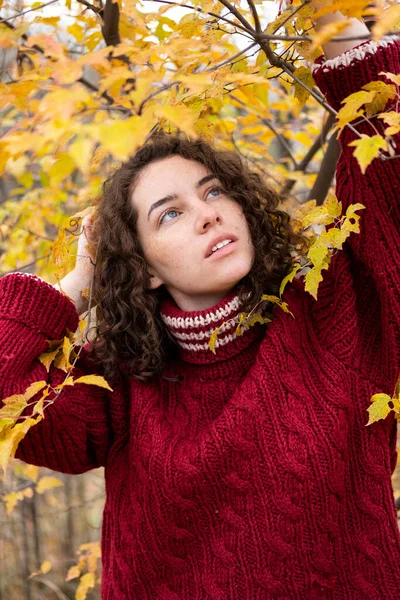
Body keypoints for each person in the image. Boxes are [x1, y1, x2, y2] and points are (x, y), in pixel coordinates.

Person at [1, 7, 399, 599]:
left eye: (213, 191)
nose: (208, 212)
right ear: (145, 266)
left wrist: (335, 24)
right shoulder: (118, 387)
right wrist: (82, 280)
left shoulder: (335, 314)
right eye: (170, 213)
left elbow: (388, 170)